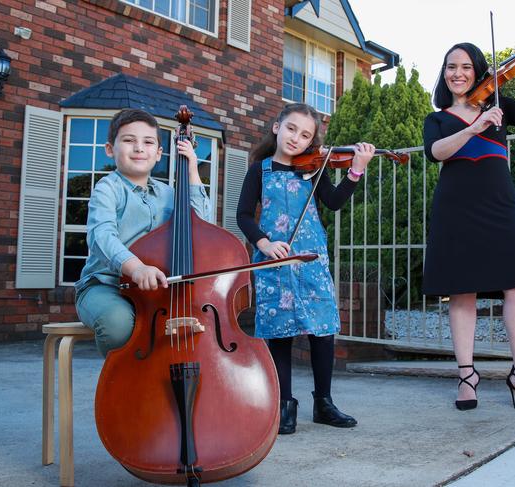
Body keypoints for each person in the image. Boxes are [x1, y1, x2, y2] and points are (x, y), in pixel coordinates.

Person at [422, 31, 515, 413]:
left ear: (479, 71)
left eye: (466, 67)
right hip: (456, 209)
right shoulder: (437, 119)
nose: (458, 73)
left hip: (500, 205)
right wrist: (473, 127)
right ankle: (467, 376)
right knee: (462, 290)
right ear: (444, 74)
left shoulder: (499, 104)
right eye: (451, 67)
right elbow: (435, 153)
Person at [237, 103, 375, 434]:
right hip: (274, 261)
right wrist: (264, 243)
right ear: (276, 127)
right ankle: (285, 404)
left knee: (322, 328)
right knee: (279, 332)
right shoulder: (260, 169)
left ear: (312, 142)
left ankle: (323, 403)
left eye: (305, 135)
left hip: (310, 258)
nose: (296, 138)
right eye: (291, 129)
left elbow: (334, 202)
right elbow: (243, 214)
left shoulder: (314, 168)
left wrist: (356, 169)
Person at [75, 108, 211, 357]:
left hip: (156, 290)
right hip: (107, 285)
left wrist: (192, 168)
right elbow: (101, 235)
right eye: (129, 140)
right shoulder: (108, 188)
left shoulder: (170, 194)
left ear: (159, 154)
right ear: (109, 149)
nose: (139, 148)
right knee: (117, 324)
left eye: (148, 142)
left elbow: (201, 224)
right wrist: (136, 268)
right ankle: (124, 389)